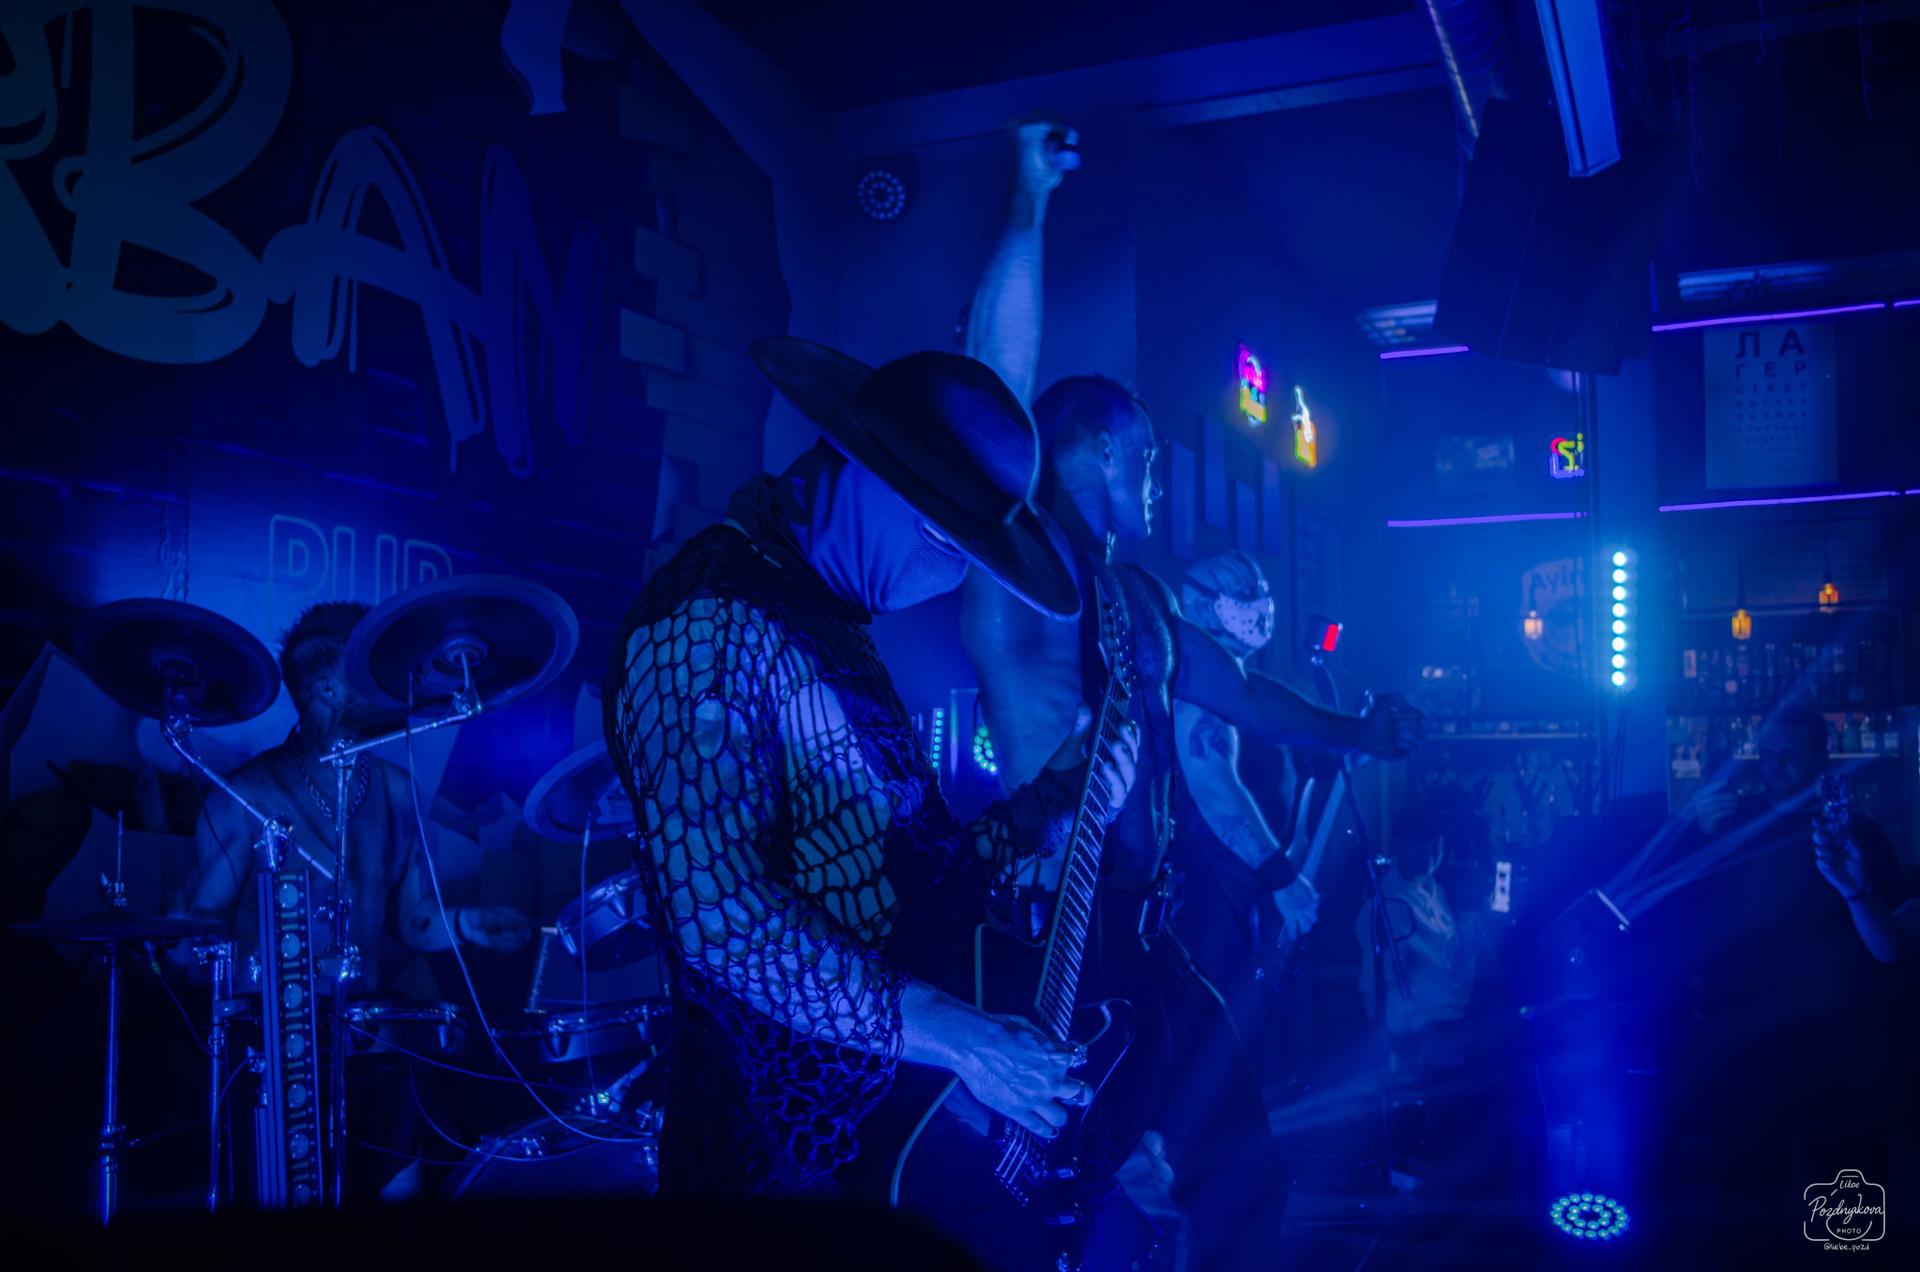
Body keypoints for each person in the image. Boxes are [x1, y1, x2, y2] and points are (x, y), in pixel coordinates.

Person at [957, 118, 1423, 1272]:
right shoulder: (1022, 582)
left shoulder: (1142, 604)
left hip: (1146, 939)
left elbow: (1251, 698)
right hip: (1052, 946)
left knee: (1240, 1181)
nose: (1158, 477)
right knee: (1075, 1214)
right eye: (1145, 456)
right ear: (1087, 452)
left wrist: (1361, 730)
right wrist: (1029, 200)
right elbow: (991, 403)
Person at [602, 338, 1142, 1208]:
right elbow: (719, 918)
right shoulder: (708, 621)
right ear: (861, 468)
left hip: (898, 1147)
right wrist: (964, 1038)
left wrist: (1056, 800)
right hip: (776, 1169)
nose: (951, 573)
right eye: (944, 537)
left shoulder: (828, 618)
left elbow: (921, 880)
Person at [182, 600, 532, 1194]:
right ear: (327, 686)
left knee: (408, 1179)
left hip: (370, 1039)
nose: (398, 682)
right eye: (375, 667)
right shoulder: (243, 798)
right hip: (275, 1046)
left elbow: (413, 920)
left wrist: (467, 923)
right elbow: (198, 947)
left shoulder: (397, 790)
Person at [1171, 552, 1321, 1080]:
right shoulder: (1198, 687)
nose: (1258, 606)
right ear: (1200, 605)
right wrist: (1283, 878)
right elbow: (1215, 792)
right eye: (1242, 595)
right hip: (1212, 896)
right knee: (1226, 1042)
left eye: (1261, 592)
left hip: (1252, 900)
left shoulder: (1240, 686)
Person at [1355, 805, 1474, 1045]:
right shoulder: (1387, 906)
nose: (1430, 855)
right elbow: (1375, 990)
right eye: (1420, 845)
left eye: (1436, 846)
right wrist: (1417, 1034)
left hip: (1461, 1016)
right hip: (1428, 1033)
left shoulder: (1433, 890)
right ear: (1398, 845)